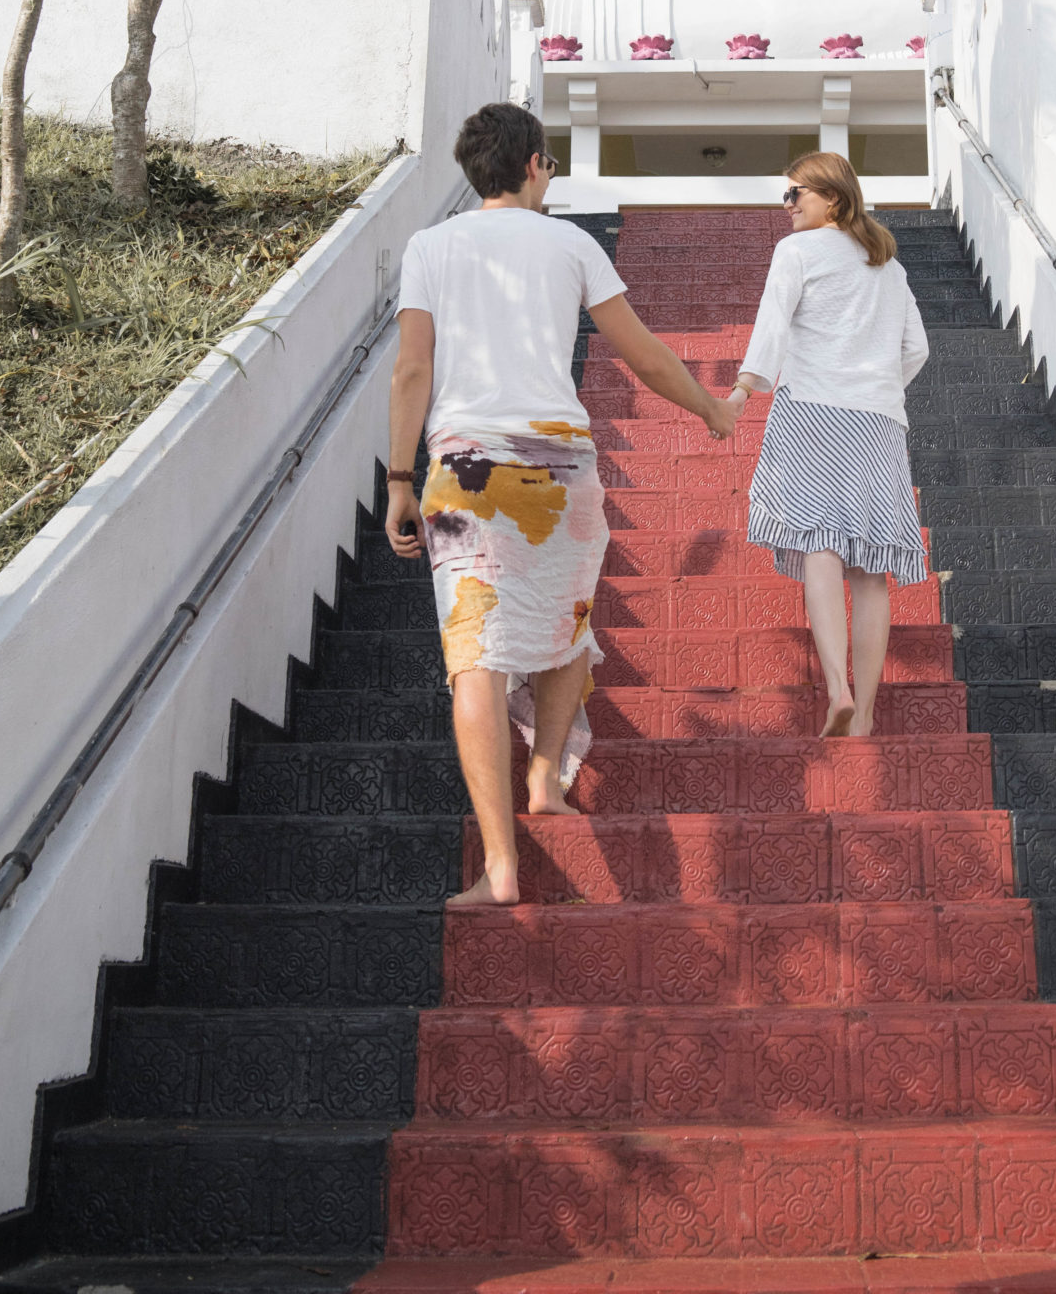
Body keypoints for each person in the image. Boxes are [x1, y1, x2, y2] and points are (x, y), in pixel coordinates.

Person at [385, 102, 739, 905]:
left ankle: (503, 866)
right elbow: (643, 355)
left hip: (466, 469)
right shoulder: (572, 244)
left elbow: (412, 371)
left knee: (474, 656)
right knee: (566, 621)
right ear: (536, 164)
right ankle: (545, 776)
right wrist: (711, 410)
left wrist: (399, 483)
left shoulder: (431, 247)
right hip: (562, 471)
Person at [729, 151, 929, 738]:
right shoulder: (887, 266)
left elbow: (771, 326)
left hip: (813, 410)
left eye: (796, 195)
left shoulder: (797, 253)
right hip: (879, 421)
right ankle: (863, 716)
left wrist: (740, 394)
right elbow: (916, 349)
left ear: (831, 199)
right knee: (870, 571)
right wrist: (876, 386)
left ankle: (836, 686)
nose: (786, 206)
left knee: (820, 545)